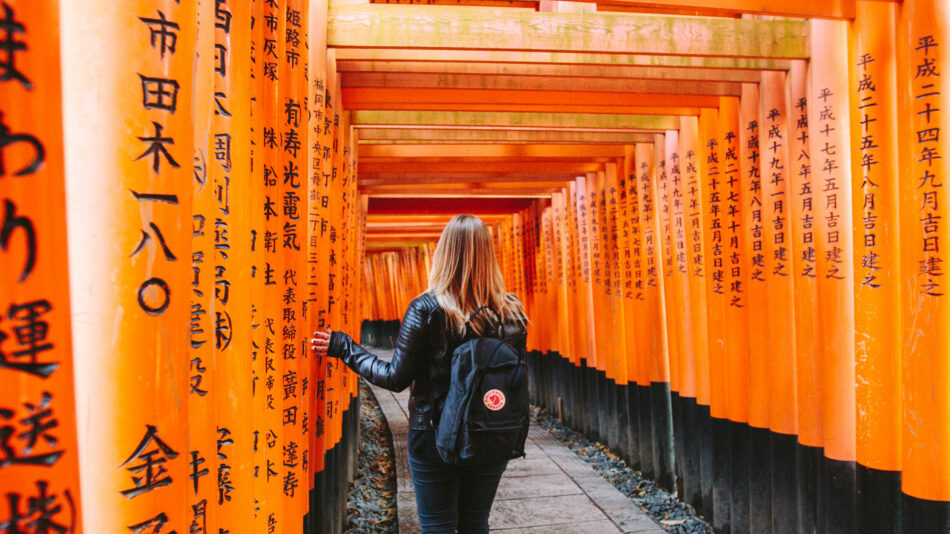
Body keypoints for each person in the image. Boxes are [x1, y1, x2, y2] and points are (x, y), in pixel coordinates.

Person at [311, 214, 528, 534]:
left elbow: (395, 377)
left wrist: (345, 348)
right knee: (475, 523)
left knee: (438, 527)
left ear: (443, 254)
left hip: (433, 434)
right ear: (489, 254)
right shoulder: (512, 312)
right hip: (492, 432)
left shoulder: (427, 309)